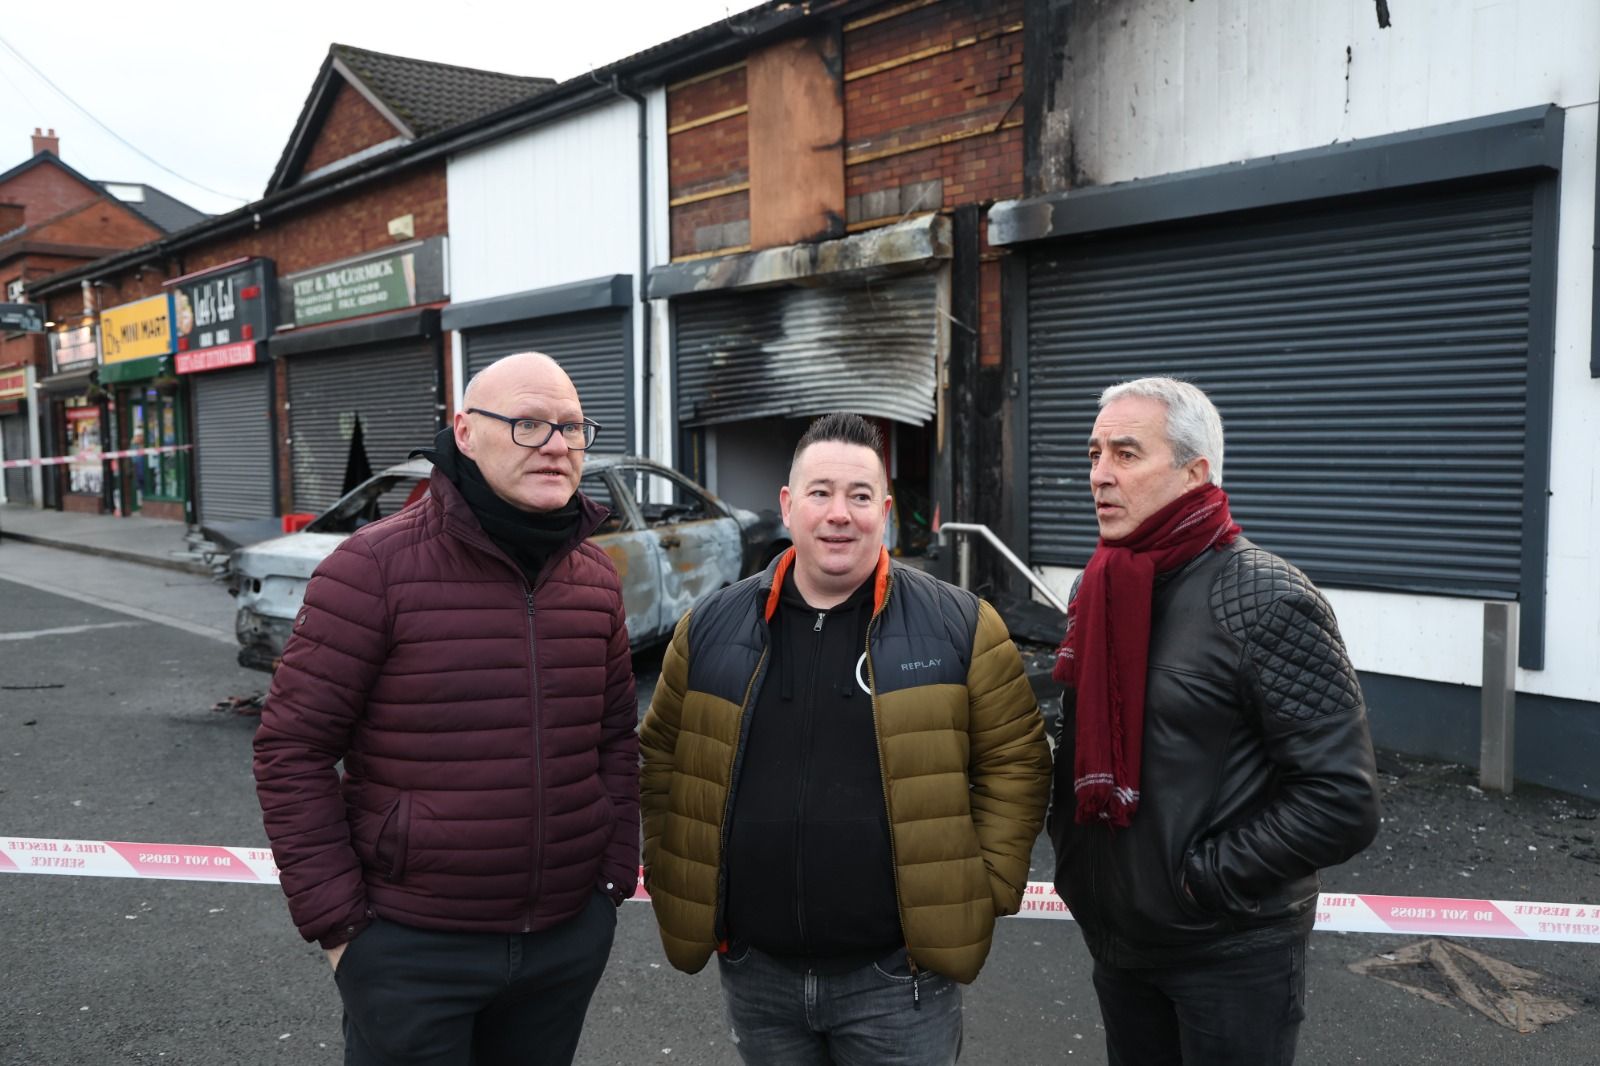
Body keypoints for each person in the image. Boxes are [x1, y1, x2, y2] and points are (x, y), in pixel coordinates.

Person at [253, 352, 639, 1066]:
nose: (555, 445)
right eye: (527, 424)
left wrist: (609, 882)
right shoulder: (372, 569)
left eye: (571, 428)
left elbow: (614, 738)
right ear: (464, 432)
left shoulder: (594, 576)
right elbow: (292, 750)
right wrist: (342, 931)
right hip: (409, 950)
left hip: (562, 943)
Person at [640, 412, 1051, 1065]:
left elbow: (1017, 763)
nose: (840, 513)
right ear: (787, 504)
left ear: (884, 510)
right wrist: (673, 870)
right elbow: (661, 756)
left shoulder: (962, 626)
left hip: (898, 982)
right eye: (821, 492)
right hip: (757, 975)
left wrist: (986, 884)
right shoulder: (710, 626)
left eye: (860, 496)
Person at [1049, 377, 1380, 1065]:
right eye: (1093, 453)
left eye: (1127, 453)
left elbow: (1341, 800)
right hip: (1119, 939)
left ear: (1195, 472)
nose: (1100, 475)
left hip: (1228, 952)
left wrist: (1199, 880)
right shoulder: (1098, 585)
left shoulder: (1267, 598)